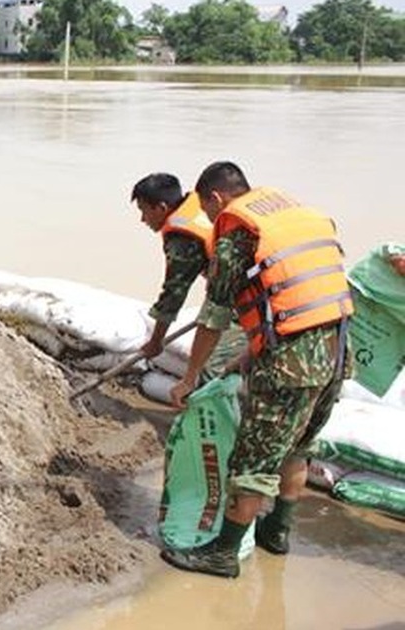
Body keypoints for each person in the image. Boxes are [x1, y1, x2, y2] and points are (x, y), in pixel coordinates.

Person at [163, 161, 353, 578]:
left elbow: (213, 318)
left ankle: (221, 554)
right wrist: (248, 355)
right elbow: (297, 298)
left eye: (210, 213)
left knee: (253, 459)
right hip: (336, 351)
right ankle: (277, 532)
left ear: (216, 198)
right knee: (298, 446)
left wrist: (189, 378)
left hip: (290, 367)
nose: (212, 223)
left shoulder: (237, 237)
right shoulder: (295, 217)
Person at [130, 173, 213, 359]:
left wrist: (155, 342)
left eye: (143, 211)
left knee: (209, 365)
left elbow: (174, 293)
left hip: (246, 295)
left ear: (161, 208)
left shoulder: (182, 239)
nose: (143, 219)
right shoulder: (200, 208)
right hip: (245, 285)